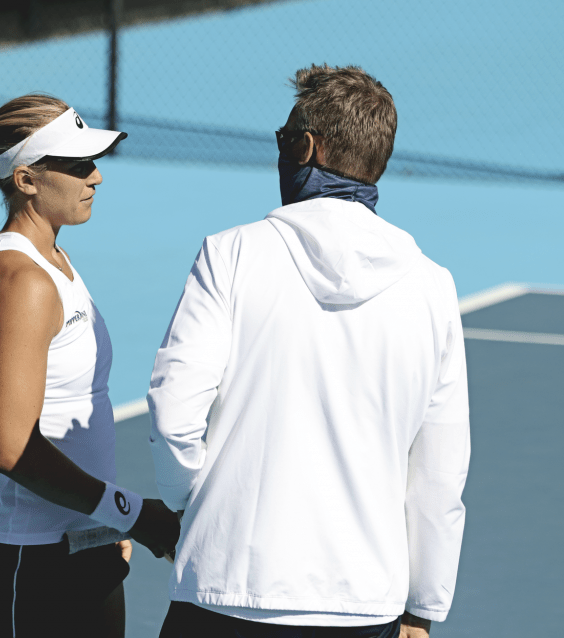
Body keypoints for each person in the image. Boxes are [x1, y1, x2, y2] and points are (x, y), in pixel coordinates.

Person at [147, 65, 470, 638]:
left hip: (224, 590)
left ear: (306, 147)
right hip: (364, 603)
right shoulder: (433, 286)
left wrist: (192, 509)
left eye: (284, 138)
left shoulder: (230, 254)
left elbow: (174, 414)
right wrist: (423, 610)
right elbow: (440, 475)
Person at [0, 94, 180, 638]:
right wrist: (132, 513)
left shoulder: (55, 262)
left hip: (78, 546)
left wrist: (105, 520)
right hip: (29, 564)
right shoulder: (21, 281)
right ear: (25, 180)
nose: (95, 177)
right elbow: (13, 449)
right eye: (77, 165)